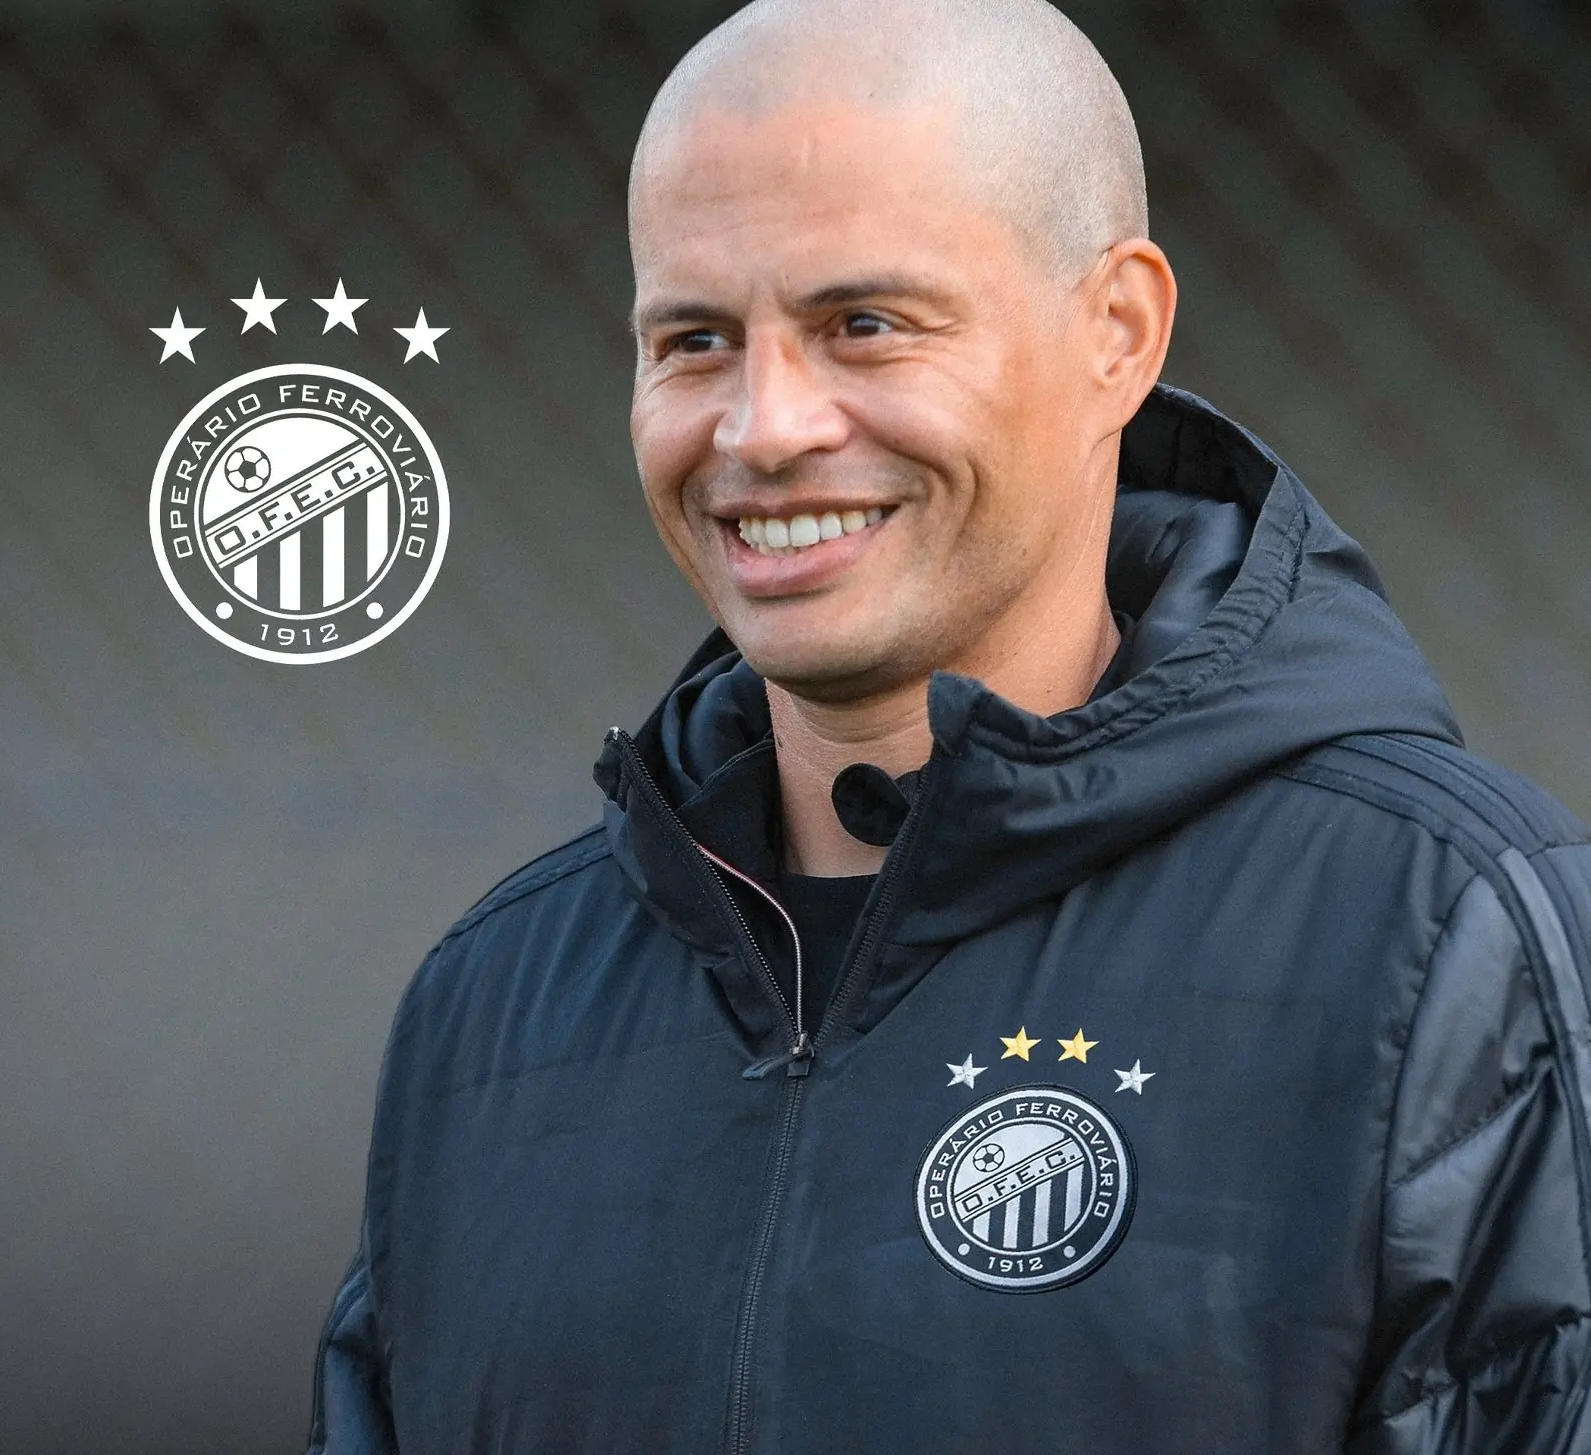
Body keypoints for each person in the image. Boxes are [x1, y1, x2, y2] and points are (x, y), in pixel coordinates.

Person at [307, 1, 1591, 1450]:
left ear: (1115, 335)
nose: (763, 427)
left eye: (863, 325)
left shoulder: (1440, 939)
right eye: (694, 339)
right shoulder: (491, 1006)